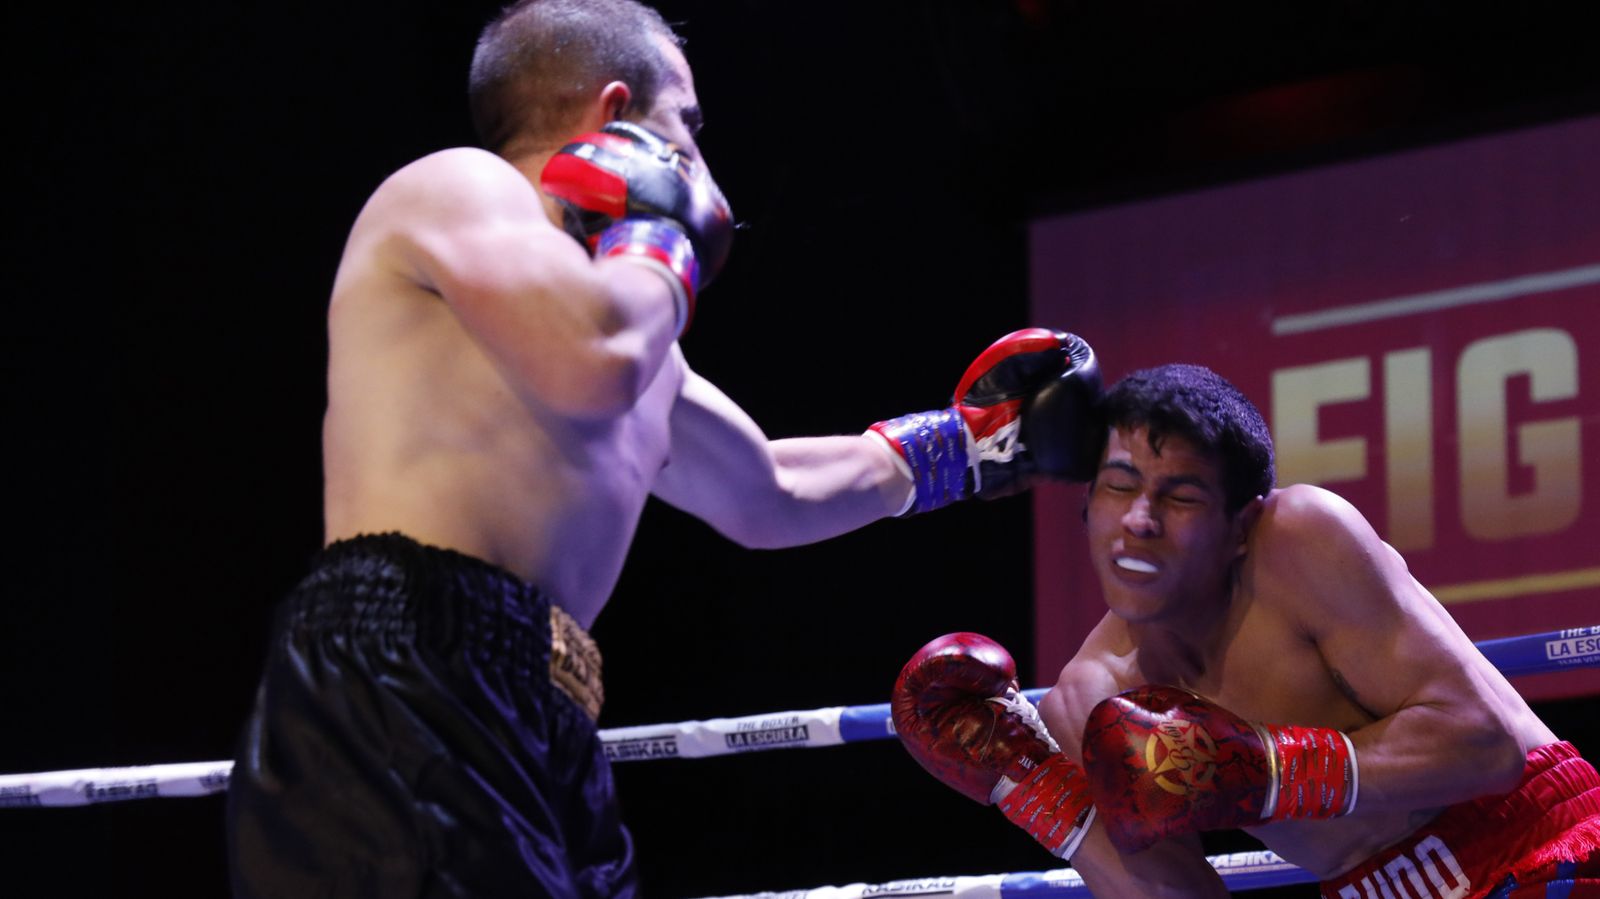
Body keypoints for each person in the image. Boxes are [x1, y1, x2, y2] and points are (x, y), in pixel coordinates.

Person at [223, 1, 1102, 896]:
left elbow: (767, 492)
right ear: (616, 119)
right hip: (404, 660)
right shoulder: (462, 188)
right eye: (686, 124)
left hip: (541, 702)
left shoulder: (629, 329)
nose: (704, 164)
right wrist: (656, 234)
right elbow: (590, 364)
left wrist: (968, 445)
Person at [893, 363, 1599, 898]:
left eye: (1181, 494)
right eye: (1118, 485)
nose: (1140, 518)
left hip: (1539, 843)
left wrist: (1267, 771)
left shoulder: (1299, 539)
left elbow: (1484, 746)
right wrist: (1036, 789)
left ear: (1240, 523)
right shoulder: (1086, 698)